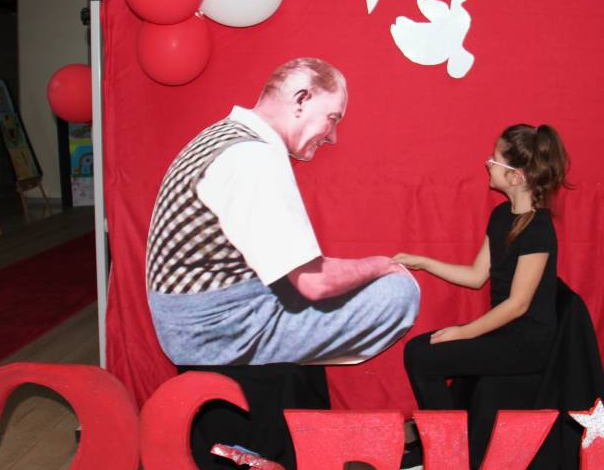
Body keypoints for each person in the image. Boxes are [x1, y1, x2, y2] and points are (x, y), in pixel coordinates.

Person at [145, 57, 419, 366]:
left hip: (192, 318)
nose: (333, 136)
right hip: (214, 331)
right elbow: (315, 282)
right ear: (301, 99)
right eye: (332, 118)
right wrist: (382, 264)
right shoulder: (253, 157)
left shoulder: (221, 135)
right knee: (398, 291)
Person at [392, 123, 568, 470]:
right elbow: (476, 276)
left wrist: (464, 332)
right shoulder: (502, 216)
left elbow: (518, 305)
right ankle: (439, 446)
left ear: (515, 176)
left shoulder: (539, 230)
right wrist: (423, 262)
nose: (487, 163)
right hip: (506, 332)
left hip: (529, 343)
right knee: (420, 351)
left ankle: (447, 464)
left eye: (494, 159)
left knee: (423, 356)